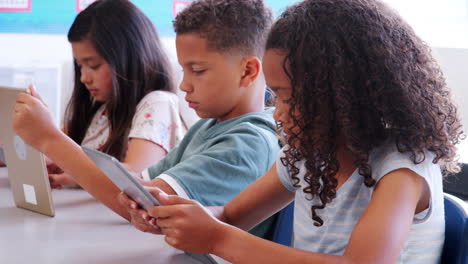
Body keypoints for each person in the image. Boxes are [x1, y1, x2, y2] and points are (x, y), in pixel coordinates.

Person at [129, 0, 464, 263]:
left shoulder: (401, 168)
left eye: (290, 98)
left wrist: (217, 237)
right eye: (275, 96)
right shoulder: (307, 155)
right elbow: (232, 215)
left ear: (345, 95)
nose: (278, 113)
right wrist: (177, 214)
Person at [13, 0, 279, 237]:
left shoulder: (246, 145)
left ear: (247, 71)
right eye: (185, 69)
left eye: (197, 70)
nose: (184, 84)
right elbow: (140, 190)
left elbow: (144, 206)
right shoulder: (209, 127)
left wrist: (49, 139)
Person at [45, 0, 185, 188]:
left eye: (93, 66)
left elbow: (137, 174)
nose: (84, 78)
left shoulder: (158, 103)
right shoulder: (101, 110)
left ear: (129, 58)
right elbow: (60, 149)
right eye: (80, 67)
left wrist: (76, 175)